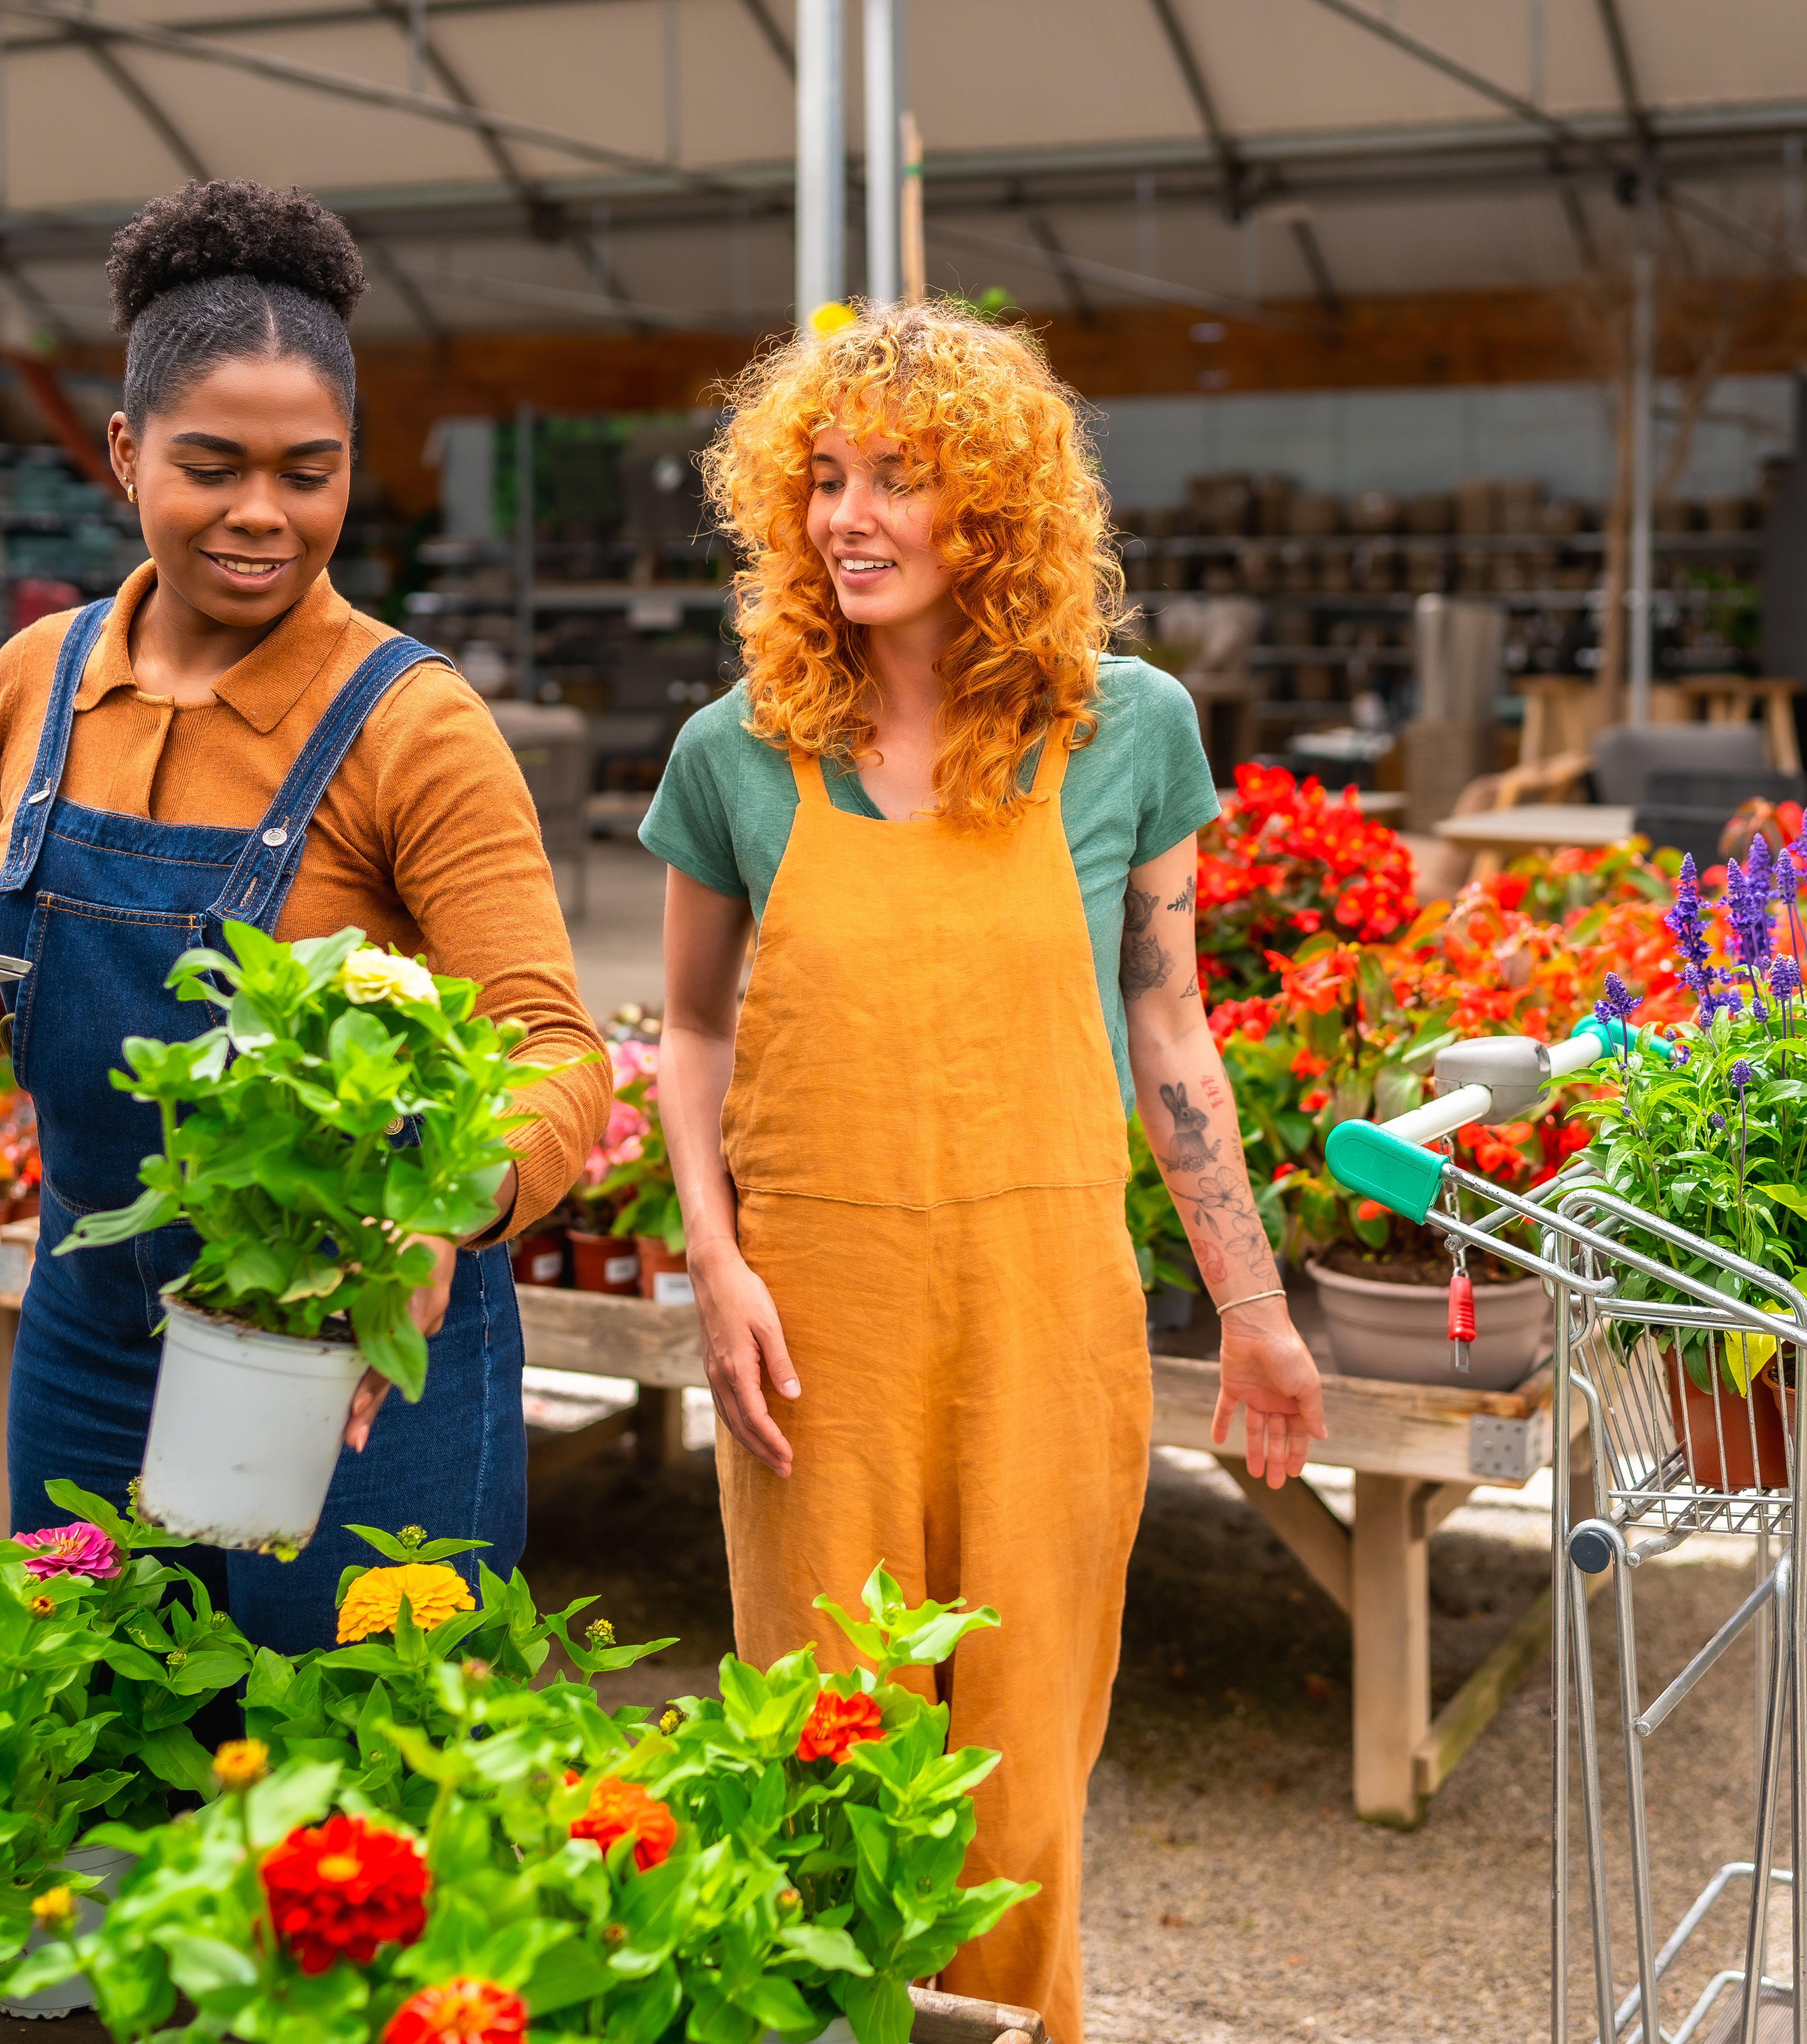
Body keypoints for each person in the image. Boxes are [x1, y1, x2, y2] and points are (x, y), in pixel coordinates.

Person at [0, 180, 609, 1651]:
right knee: (100, 1739)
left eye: (309, 472)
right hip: (88, 1321)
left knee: (355, 1772)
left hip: (354, 1329)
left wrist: (439, 1210)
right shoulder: (39, 680)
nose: (264, 513)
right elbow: (41, 984)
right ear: (125, 452)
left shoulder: (416, 726)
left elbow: (551, 1044)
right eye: (213, 465)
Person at [643, 302, 1328, 2041]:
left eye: (902, 481)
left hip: (1048, 1315)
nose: (850, 518)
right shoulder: (733, 752)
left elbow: (1170, 1030)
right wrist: (714, 1268)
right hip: (820, 1337)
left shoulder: (1132, 730)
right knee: (828, 1764)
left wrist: (1251, 1305)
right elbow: (694, 1035)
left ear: (998, 514)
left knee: (1018, 1785)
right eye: (825, 480)